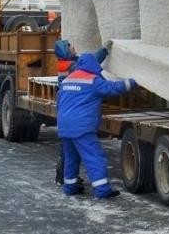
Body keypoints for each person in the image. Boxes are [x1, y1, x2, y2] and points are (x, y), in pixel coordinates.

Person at [57, 52, 136, 199]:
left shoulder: (67, 80)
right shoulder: (92, 80)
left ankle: (70, 187)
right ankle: (102, 190)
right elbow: (113, 88)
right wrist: (133, 81)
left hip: (64, 126)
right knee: (94, 158)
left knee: (71, 158)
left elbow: (60, 101)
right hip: (82, 127)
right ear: (94, 65)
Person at [53, 39, 110, 188]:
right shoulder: (71, 66)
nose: (74, 47)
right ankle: (63, 178)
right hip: (73, 108)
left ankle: (66, 180)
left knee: (67, 148)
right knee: (69, 151)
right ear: (66, 51)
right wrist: (103, 50)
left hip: (66, 108)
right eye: (70, 46)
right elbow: (92, 61)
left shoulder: (65, 63)